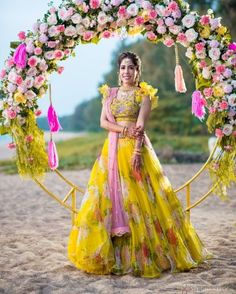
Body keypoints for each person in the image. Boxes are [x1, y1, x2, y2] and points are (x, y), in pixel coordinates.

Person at [68, 51, 214, 278]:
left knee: (139, 197)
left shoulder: (143, 94)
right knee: (107, 197)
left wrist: (136, 150)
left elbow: (141, 125)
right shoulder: (110, 94)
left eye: (131, 68)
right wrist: (122, 129)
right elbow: (103, 122)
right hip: (112, 150)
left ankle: (145, 256)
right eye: (123, 67)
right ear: (119, 71)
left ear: (137, 72)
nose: (127, 72)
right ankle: (111, 254)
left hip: (135, 150)